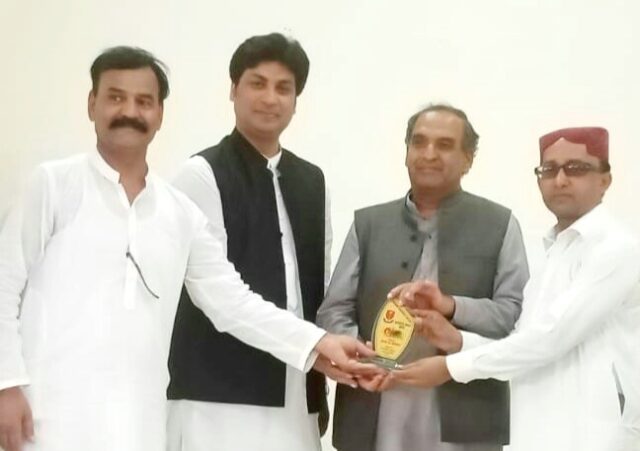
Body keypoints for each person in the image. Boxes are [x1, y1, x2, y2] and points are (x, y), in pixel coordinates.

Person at [0, 46, 376, 451]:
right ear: (92, 104)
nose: (129, 111)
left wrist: (317, 344)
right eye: (115, 97)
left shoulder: (178, 212)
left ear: (160, 114)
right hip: (47, 414)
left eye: (144, 101)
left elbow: (231, 300)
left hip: (139, 422)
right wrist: (6, 383)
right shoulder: (52, 186)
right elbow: (4, 284)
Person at [384, 127, 640, 451]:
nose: (560, 180)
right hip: (537, 433)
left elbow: (549, 339)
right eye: (549, 169)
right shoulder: (554, 252)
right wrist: (458, 341)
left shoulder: (616, 249)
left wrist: (450, 367)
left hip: (594, 436)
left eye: (576, 168)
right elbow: (523, 345)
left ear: (605, 180)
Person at [316, 104, 529, 451]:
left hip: (466, 417)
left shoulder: (499, 225)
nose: (429, 154)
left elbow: (514, 317)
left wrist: (453, 307)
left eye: (444, 145)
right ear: (406, 151)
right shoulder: (368, 225)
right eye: (419, 142)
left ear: (468, 158)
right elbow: (334, 310)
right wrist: (363, 358)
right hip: (374, 410)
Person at [166, 33, 331, 451]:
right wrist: (316, 345)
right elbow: (218, 297)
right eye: (257, 84)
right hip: (217, 395)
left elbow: (317, 290)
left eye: (284, 88)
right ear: (233, 90)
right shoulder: (200, 174)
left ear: (296, 101)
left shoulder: (312, 180)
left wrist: (321, 383)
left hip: (297, 389)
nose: (270, 98)